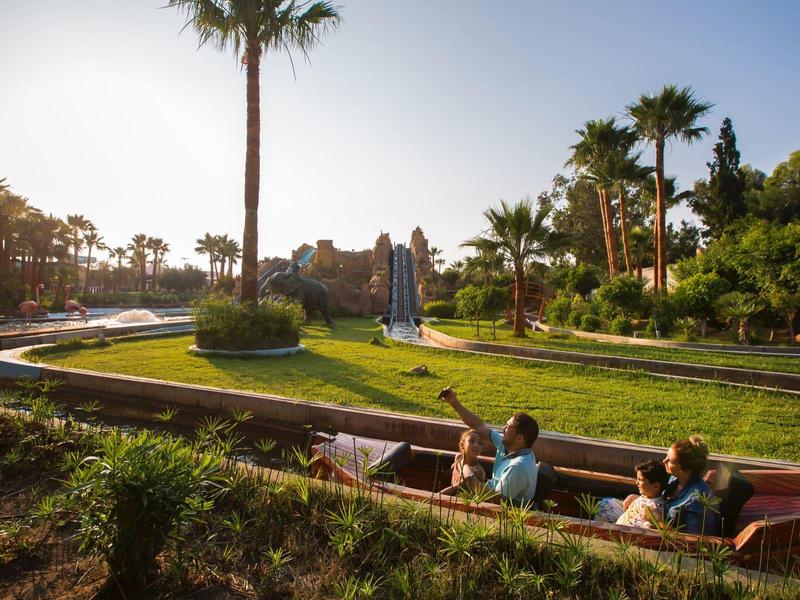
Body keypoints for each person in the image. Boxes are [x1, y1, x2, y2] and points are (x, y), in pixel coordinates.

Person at [439, 387, 538, 506]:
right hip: (484, 494)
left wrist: (469, 474)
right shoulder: (508, 446)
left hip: (496, 513)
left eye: (507, 427)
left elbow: (495, 501)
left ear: (519, 438)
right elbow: (478, 426)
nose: (503, 428)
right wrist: (454, 402)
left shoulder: (517, 467)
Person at [662, 435, 721, 536]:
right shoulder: (675, 479)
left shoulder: (697, 501)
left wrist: (658, 522)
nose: (664, 461)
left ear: (686, 469)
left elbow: (695, 541)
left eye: (670, 461)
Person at [597, 459, 668, 528]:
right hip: (621, 524)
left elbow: (649, 525)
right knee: (605, 503)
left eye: (640, 480)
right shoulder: (647, 496)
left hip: (626, 533)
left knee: (603, 508)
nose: (636, 482)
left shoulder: (654, 508)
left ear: (656, 486)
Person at [440, 429, 486, 496]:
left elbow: (456, 488)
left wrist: (436, 496)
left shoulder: (477, 470)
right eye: (472, 441)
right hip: (452, 496)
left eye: (480, 443)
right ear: (462, 445)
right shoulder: (458, 457)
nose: (476, 445)